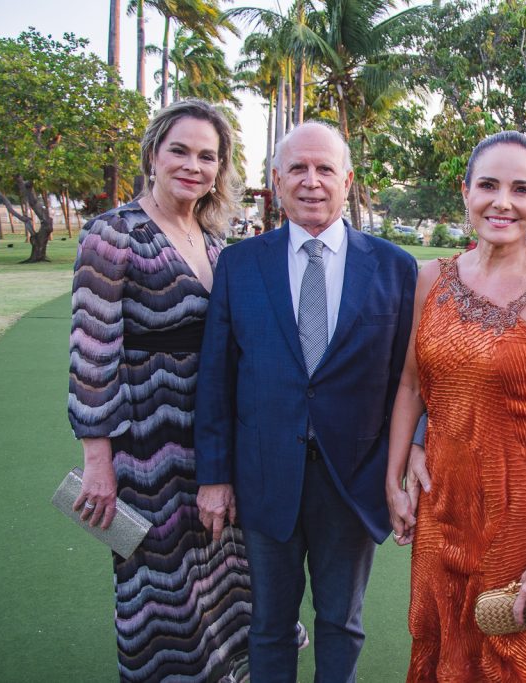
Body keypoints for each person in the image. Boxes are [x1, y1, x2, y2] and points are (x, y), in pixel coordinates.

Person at [195, 120, 417, 683]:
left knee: (341, 621)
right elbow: (217, 379)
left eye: (325, 169)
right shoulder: (241, 265)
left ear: (347, 180)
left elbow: (410, 384)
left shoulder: (396, 267)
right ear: (275, 181)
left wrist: (401, 469)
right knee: (269, 621)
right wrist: (215, 477)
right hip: (265, 476)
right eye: (298, 168)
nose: (311, 181)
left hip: (354, 479)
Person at [386, 131, 526, 681]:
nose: (502, 202)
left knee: (507, 657)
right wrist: (394, 477)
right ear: (465, 191)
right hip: (440, 503)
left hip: (519, 512)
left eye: (520, 189)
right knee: (439, 638)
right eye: (488, 185)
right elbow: (411, 385)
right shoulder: (430, 277)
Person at [68, 99, 253, 681]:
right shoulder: (114, 234)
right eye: (180, 150)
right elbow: (93, 353)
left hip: (210, 434)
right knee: (157, 574)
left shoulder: (214, 240)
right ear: (153, 154)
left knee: (222, 562)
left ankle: (223, 669)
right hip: (145, 441)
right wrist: (98, 463)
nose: (193, 165)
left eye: (207, 155)